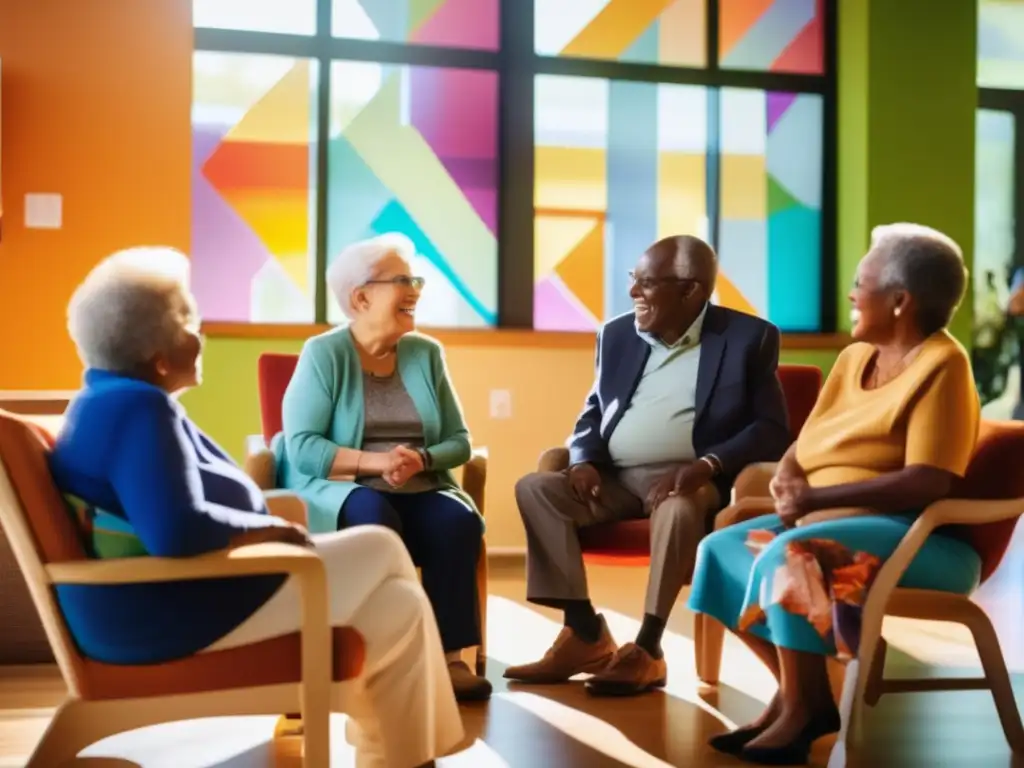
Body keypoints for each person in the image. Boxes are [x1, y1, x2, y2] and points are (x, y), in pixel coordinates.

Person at [49, 247, 462, 768]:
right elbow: (177, 532)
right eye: (187, 320)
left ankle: (402, 760)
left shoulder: (110, 401)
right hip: (173, 614)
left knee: (397, 609)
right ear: (157, 353)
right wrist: (269, 532)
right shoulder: (138, 409)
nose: (200, 334)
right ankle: (422, 758)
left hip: (179, 599)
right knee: (381, 545)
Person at [688, 223, 981, 766]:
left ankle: (801, 708)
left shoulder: (944, 365)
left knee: (794, 555)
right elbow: (806, 442)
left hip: (917, 540)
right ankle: (804, 698)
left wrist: (815, 503)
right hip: (824, 525)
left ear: (899, 300)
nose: (851, 292)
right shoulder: (852, 360)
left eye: (860, 281)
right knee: (720, 549)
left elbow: (929, 480)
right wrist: (788, 477)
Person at [507, 235, 791, 696]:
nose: (633, 292)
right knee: (535, 487)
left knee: (679, 509)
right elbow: (594, 410)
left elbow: (771, 429)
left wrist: (705, 465)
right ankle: (585, 634)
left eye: (647, 283)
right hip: (615, 479)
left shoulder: (748, 338)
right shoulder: (617, 334)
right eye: (632, 280)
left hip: (690, 479)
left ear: (690, 291)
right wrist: (583, 459)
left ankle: (647, 649)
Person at [276, 233, 491, 701]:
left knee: (456, 521)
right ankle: (377, 657)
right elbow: (304, 448)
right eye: (402, 280)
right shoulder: (324, 354)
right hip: (343, 486)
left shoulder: (425, 354)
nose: (415, 289)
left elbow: (460, 440)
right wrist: (377, 461)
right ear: (361, 296)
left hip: (418, 484)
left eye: (416, 279)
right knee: (375, 518)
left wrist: (422, 459)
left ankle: (450, 658)